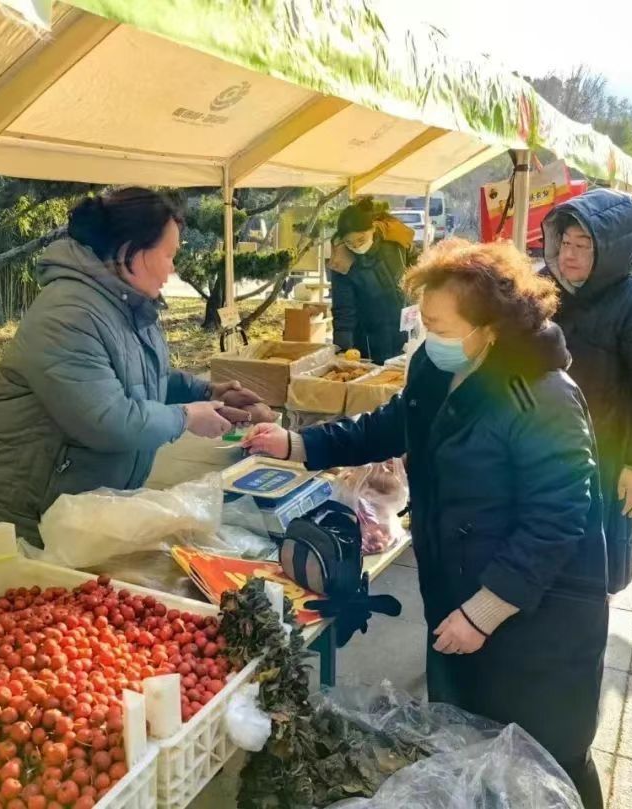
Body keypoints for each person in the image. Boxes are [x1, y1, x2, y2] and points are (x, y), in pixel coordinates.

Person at [244, 240, 608, 807]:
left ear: (489, 326)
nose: (424, 335)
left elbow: (557, 520)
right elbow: (393, 424)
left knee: (548, 757)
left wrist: (484, 612)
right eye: (422, 321)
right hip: (457, 584)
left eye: (437, 324)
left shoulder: (543, 397)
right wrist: (297, 442)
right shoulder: (438, 367)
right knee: (470, 741)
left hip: (538, 611)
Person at [0, 187, 265, 544]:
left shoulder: (126, 303)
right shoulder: (69, 314)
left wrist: (205, 392)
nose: (173, 269)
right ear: (132, 253)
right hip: (33, 522)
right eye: (169, 255)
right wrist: (187, 417)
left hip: (82, 511)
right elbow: (109, 421)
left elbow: (143, 377)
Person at [542, 189, 632, 592]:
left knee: (597, 556)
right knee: (544, 542)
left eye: (584, 246)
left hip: (606, 447)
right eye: (565, 242)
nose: (570, 254)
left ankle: (587, 619)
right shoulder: (545, 286)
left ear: (614, 251)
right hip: (544, 440)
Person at [328, 198, 413, 362]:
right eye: (349, 243)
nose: (357, 246)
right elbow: (343, 309)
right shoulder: (342, 263)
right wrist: (342, 347)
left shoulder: (395, 242)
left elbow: (416, 266)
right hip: (368, 336)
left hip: (404, 326)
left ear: (372, 228)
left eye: (361, 239)